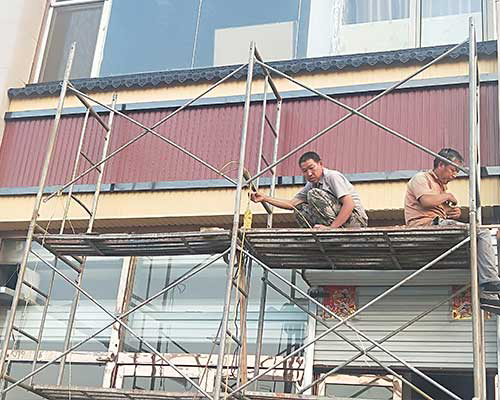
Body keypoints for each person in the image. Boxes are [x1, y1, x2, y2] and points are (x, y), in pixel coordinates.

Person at [405, 148, 500, 303]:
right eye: (453, 170)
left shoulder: (440, 187)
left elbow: (440, 210)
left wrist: (453, 212)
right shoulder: (421, 178)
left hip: (437, 223)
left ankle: (489, 293)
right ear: (441, 164)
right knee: (481, 232)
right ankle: (490, 283)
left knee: (477, 241)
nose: (455, 175)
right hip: (424, 225)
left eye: (457, 172)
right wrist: (447, 196)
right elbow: (426, 201)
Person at [250, 151, 368, 229]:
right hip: (337, 223)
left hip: (356, 221)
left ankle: (331, 230)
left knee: (313, 194)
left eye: (312, 168)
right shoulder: (311, 184)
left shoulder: (332, 176)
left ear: (320, 164)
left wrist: (332, 228)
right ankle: (320, 235)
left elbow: (349, 204)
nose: (309, 173)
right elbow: (292, 204)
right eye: (305, 171)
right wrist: (264, 198)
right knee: (299, 209)